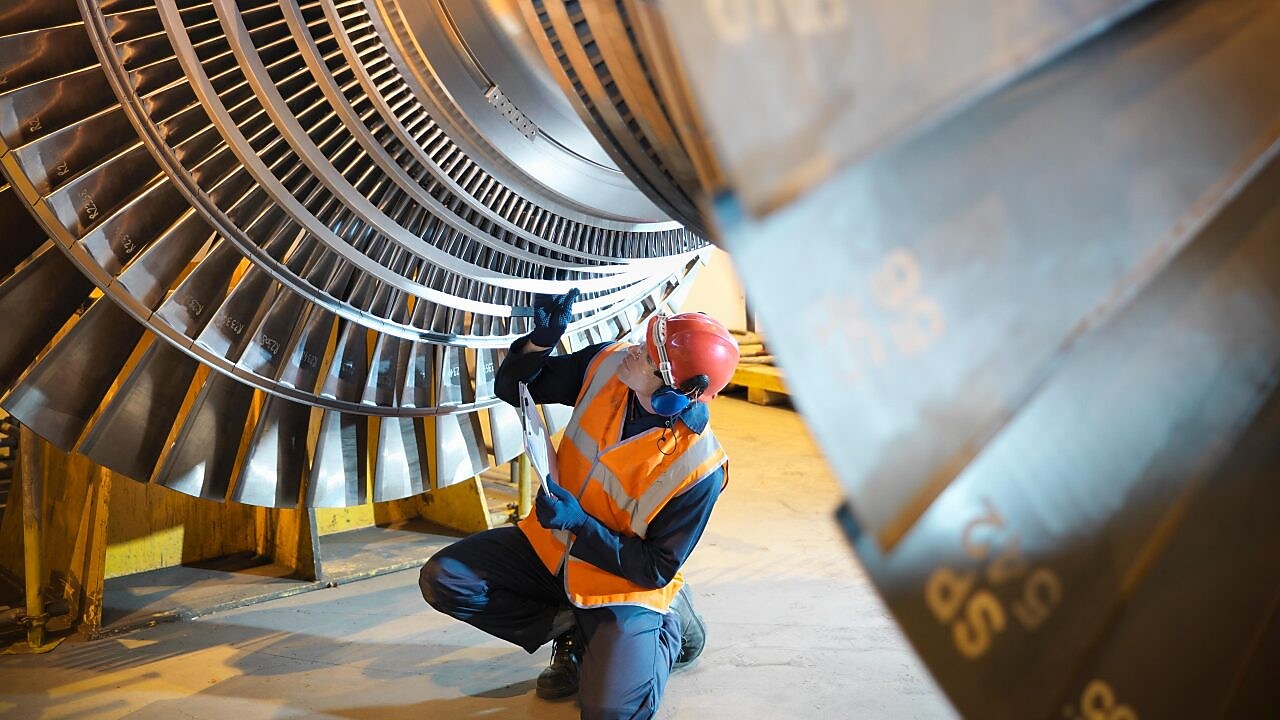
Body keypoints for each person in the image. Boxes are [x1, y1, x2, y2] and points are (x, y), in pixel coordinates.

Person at [418, 288, 741, 719]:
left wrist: (579, 523)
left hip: (622, 583)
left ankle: (667, 629)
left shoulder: (699, 470)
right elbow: (512, 387)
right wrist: (541, 340)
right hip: (550, 549)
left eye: (648, 357)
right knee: (447, 578)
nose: (634, 351)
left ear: (673, 394)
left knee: (611, 713)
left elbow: (653, 568)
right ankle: (572, 626)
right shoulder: (609, 366)